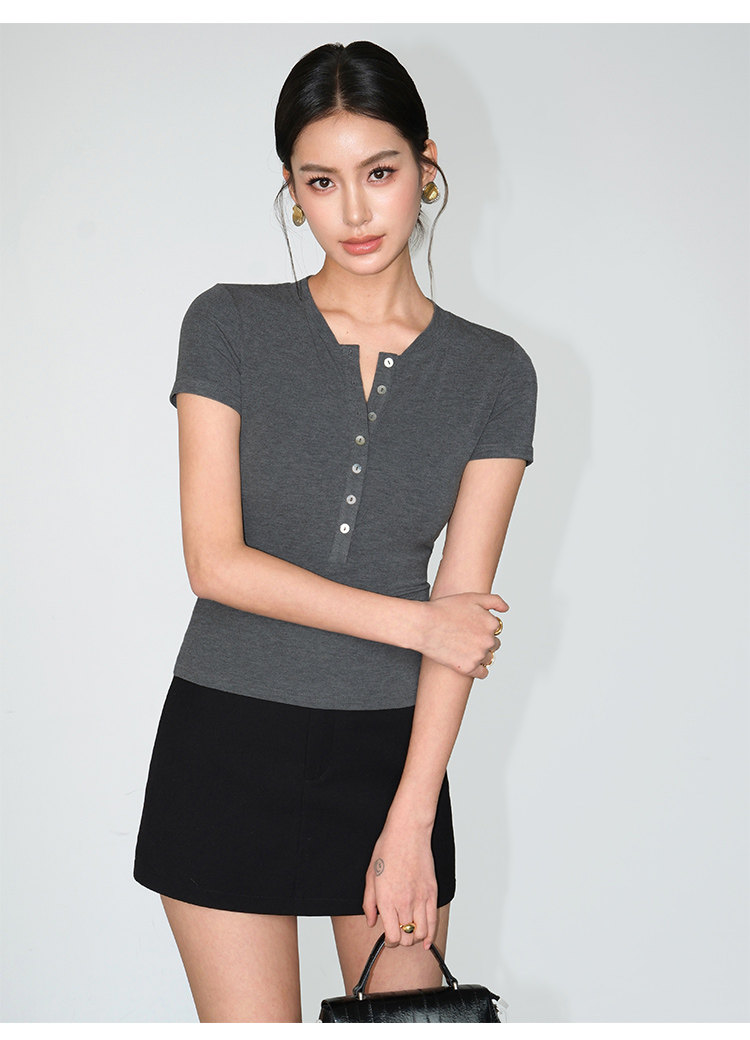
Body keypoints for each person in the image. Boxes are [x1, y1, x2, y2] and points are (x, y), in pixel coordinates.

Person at [133, 40, 537, 1023]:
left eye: (380, 173)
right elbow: (215, 562)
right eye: (321, 181)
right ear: (293, 189)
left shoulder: (494, 373)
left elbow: (464, 607)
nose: (354, 211)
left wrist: (412, 816)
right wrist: (417, 623)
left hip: (391, 757)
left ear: (426, 166)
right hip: (226, 744)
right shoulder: (227, 326)